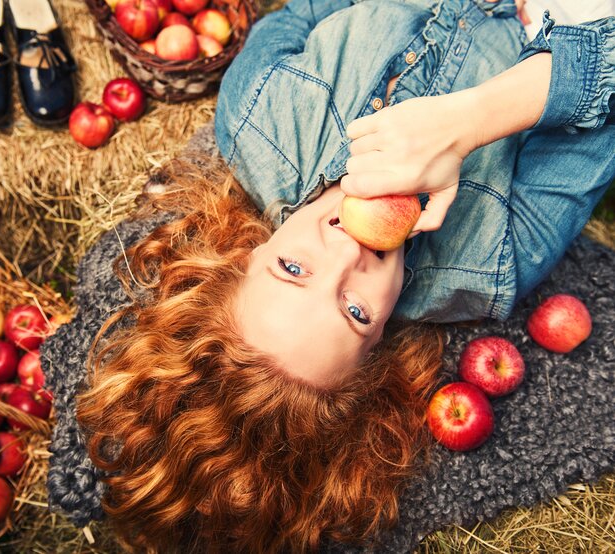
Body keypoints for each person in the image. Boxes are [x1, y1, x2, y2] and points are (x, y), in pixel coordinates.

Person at [75, 1, 615, 552]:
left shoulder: (255, 115)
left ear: (247, 258)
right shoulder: (491, 264)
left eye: (293, 269)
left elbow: (309, 8)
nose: (346, 250)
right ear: (379, 346)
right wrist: (471, 122)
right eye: (355, 312)